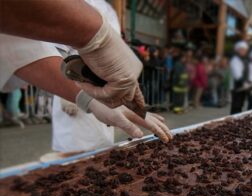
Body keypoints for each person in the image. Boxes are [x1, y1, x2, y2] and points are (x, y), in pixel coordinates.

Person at [0, 0, 172, 142]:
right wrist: (97, 36)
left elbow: (23, 49)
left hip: (97, 93)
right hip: (72, 89)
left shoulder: (108, 10)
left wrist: (88, 99)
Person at [51, 0, 119, 158]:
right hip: (73, 88)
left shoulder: (107, 9)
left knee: (103, 153)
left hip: (102, 89)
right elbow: (56, 52)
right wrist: (66, 94)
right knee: (74, 158)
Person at [230, 40, 250, 114]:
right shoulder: (235, 59)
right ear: (238, 50)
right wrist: (243, 82)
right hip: (237, 85)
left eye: (245, 50)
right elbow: (237, 74)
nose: (244, 51)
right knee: (236, 105)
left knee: (240, 105)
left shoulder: (243, 60)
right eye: (242, 50)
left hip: (242, 86)